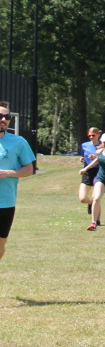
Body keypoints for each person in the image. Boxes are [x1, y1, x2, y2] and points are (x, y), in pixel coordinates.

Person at [0, 101, 36, 263]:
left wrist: (7, 173)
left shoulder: (18, 142)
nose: (3, 119)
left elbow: (29, 169)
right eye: (0, 116)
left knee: (0, 244)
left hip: (5, 202)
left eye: (6, 116)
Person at [78, 126, 101, 212]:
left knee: (95, 197)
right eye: (89, 135)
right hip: (87, 171)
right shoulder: (84, 145)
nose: (91, 137)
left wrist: (95, 157)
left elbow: (104, 158)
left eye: (93, 135)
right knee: (83, 198)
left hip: (98, 171)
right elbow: (83, 156)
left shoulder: (102, 146)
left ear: (98, 134)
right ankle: (91, 203)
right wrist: (82, 159)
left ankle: (96, 221)